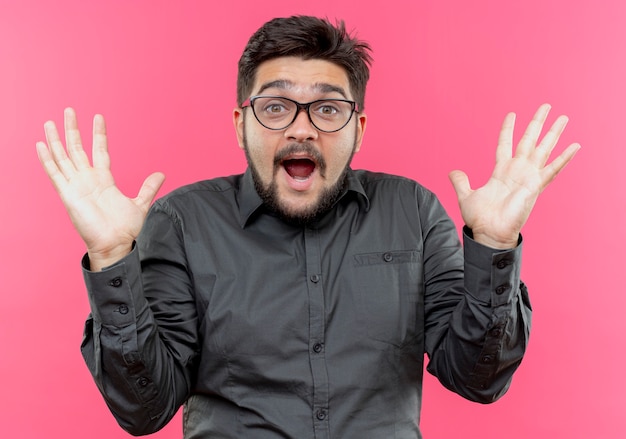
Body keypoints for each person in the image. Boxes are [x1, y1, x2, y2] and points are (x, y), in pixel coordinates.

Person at [36, 15, 580, 439]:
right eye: (275, 107)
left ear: (358, 127)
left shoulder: (413, 211)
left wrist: (495, 245)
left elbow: (478, 380)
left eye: (327, 109)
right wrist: (111, 257)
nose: (302, 129)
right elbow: (144, 409)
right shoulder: (182, 221)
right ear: (241, 123)